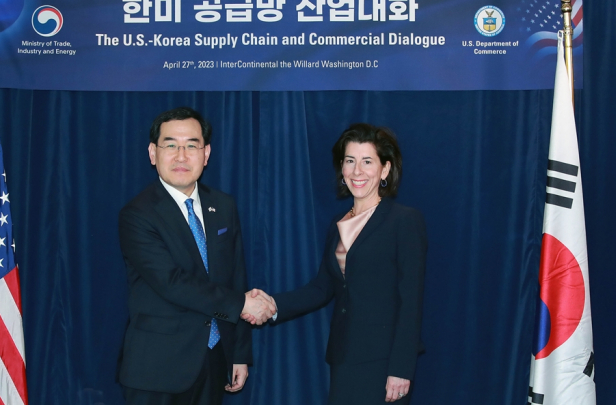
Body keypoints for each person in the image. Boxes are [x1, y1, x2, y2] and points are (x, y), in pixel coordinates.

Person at [247, 123, 427, 404]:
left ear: (385, 170)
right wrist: (272, 305)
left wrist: (401, 369)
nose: (357, 171)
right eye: (350, 161)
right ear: (341, 168)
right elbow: (322, 287)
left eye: (367, 161)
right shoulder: (337, 224)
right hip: (343, 357)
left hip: (383, 363)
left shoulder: (404, 221)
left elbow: (410, 301)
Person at [118, 107, 276, 405]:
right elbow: (171, 283)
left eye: (192, 145)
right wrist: (243, 304)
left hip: (214, 360)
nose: (181, 155)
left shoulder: (223, 205)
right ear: (153, 153)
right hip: (156, 371)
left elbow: (236, 277)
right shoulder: (137, 214)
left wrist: (239, 353)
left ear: (206, 154)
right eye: (170, 145)